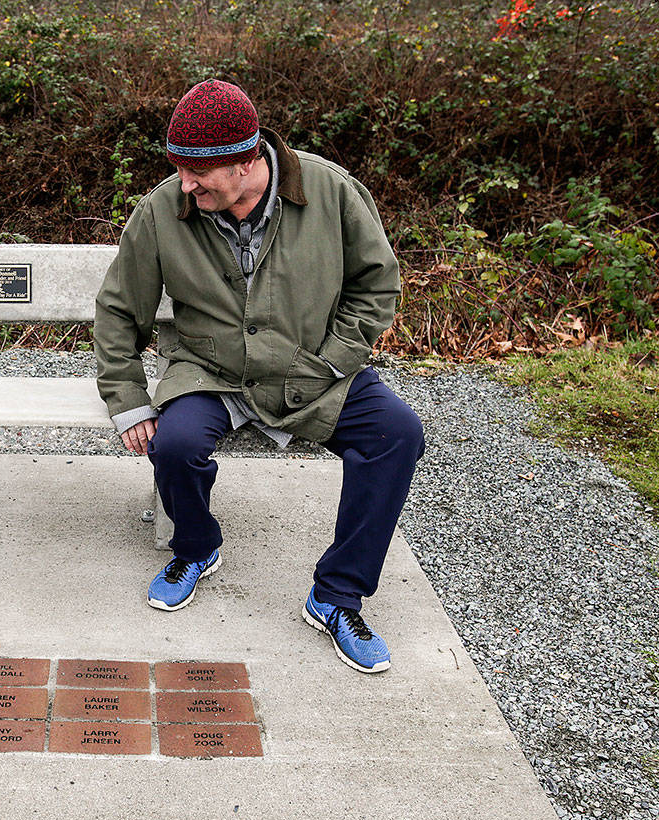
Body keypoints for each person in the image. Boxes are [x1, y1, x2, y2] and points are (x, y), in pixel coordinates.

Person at [94, 79, 425, 674]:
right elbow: (120, 308)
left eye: (199, 173)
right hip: (212, 372)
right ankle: (196, 547)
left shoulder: (332, 192)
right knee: (174, 444)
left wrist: (333, 358)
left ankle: (337, 595)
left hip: (315, 369)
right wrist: (129, 398)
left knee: (396, 434)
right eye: (179, 169)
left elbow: (377, 285)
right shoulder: (164, 209)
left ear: (248, 162)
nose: (185, 185)